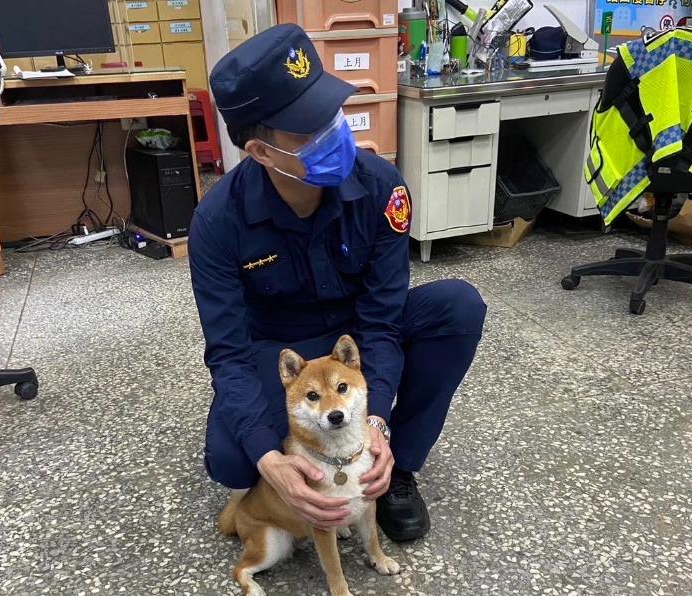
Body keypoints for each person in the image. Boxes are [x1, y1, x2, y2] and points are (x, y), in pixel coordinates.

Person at [190, 23, 487, 542]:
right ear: (261, 152)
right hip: (279, 344)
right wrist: (268, 457)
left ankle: (393, 471)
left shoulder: (381, 188)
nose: (334, 131)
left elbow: (382, 320)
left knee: (457, 306)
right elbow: (229, 353)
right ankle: (296, 467)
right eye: (309, 129)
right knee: (233, 461)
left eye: (331, 112)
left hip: (357, 330)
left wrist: (377, 425)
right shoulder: (218, 222)